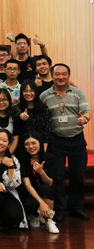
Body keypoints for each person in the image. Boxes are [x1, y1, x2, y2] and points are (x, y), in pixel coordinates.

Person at [39, 63, 91, 221]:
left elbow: (87, 112)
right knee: (57, 176)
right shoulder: (45, 95)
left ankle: (76, 208)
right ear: (52, 76)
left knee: (78, 175)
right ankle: (60, 209)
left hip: (77, 140)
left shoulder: (77, 92)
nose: (60, 77)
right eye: (57, 74)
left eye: (64, 74)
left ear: (68, 76)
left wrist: (84, 119)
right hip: (56, 141)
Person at [16, 133, 60, 233]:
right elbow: (27, 185)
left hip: (45, 191)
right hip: (29, 192)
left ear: (39, 143)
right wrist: (42, 203)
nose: (31, 146)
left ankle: (49, 220)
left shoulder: (49, 158)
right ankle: (35, 215)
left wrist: (42, 172)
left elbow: (50, 183)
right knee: (31, 205)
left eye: (33, 143)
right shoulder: (22, 160)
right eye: (27, 144)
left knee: (46, 189)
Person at [13, 80, 51, 147]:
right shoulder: (16, 108)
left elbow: (46, 132)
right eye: (25, 91)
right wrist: (20, 116)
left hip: (40, 146)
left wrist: (44, 150)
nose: (28, 93)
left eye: (31, 91)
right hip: (21, 146)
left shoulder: (43, 109)